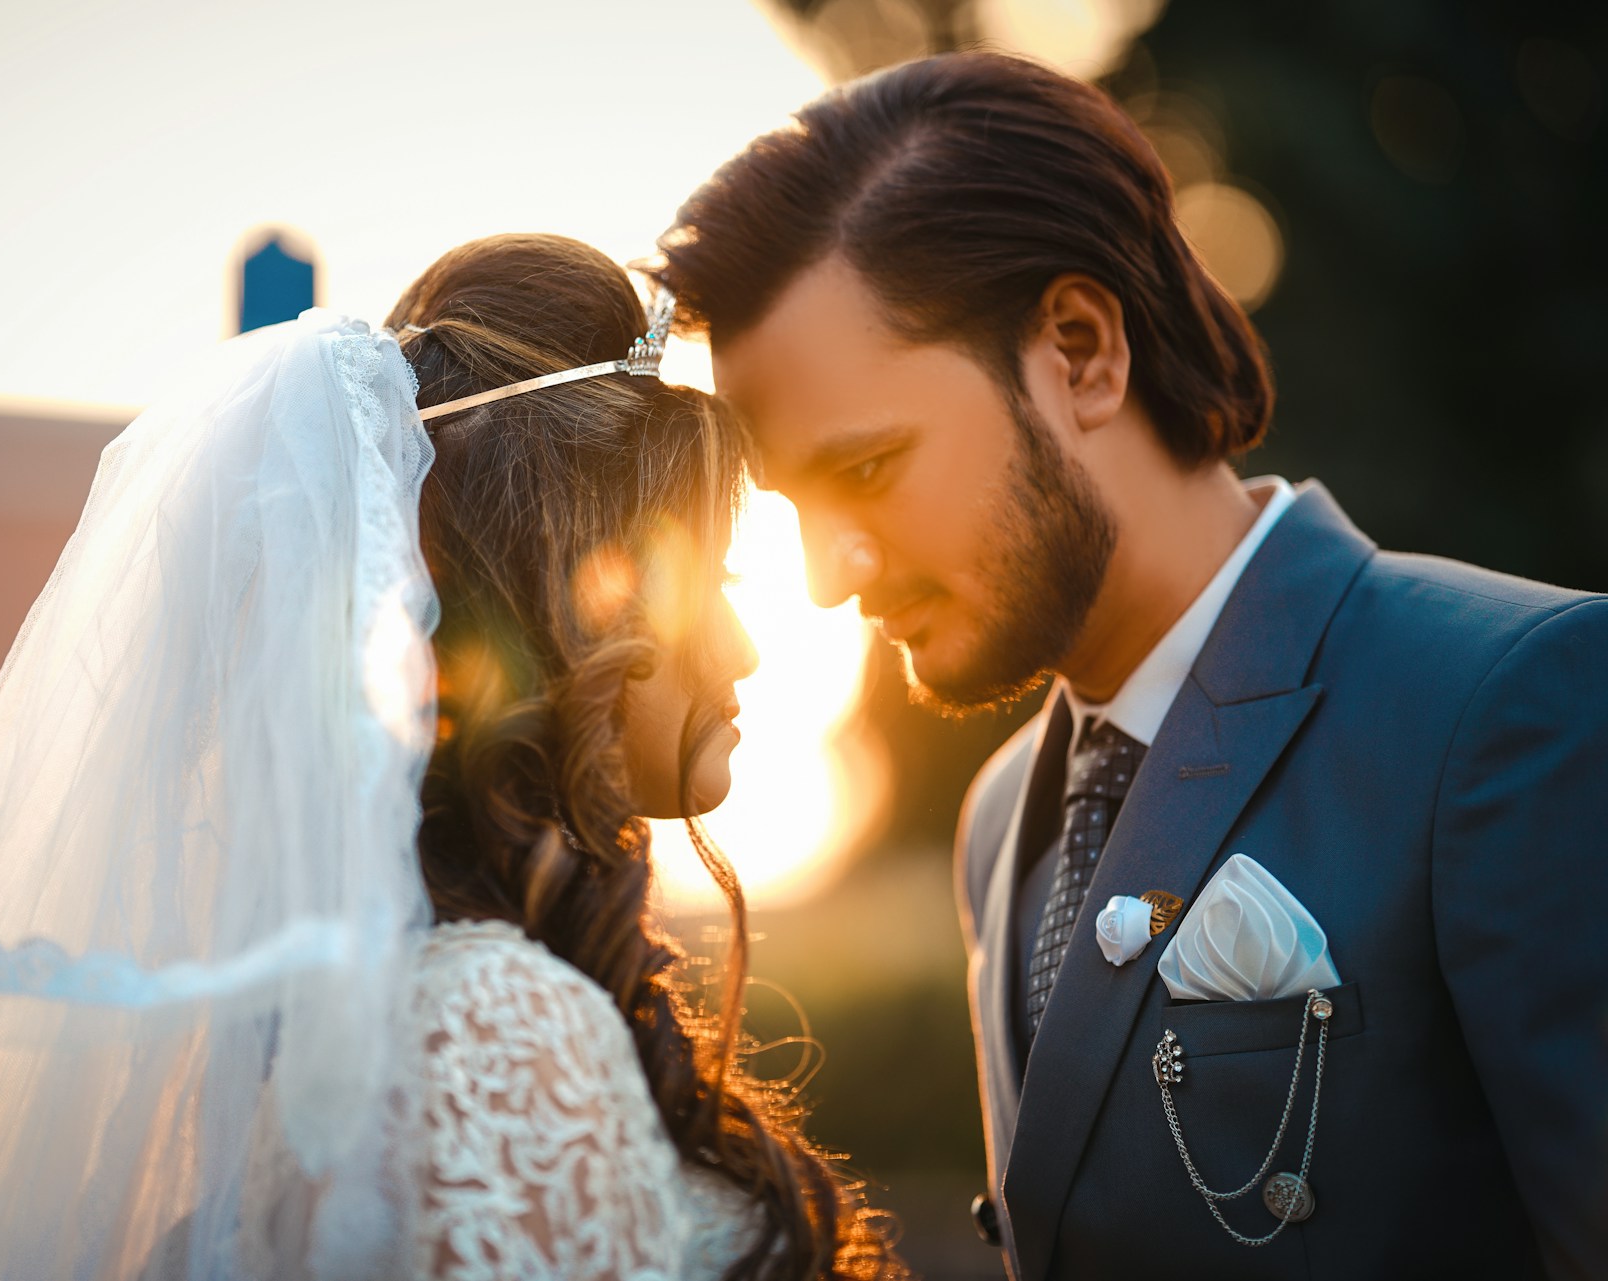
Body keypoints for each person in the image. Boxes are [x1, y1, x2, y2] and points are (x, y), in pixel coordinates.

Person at [654, 50, 1608, 1281]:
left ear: (1083, 351)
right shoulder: (1001, 818)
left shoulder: (1510, 706)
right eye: (791, 504)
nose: (829, 577)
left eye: (869, 468)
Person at [0, 233, 904, 1280]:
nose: (749, 651)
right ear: (567, 603)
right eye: (714, 583)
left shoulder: (401, 1015)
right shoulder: (490, 1025)